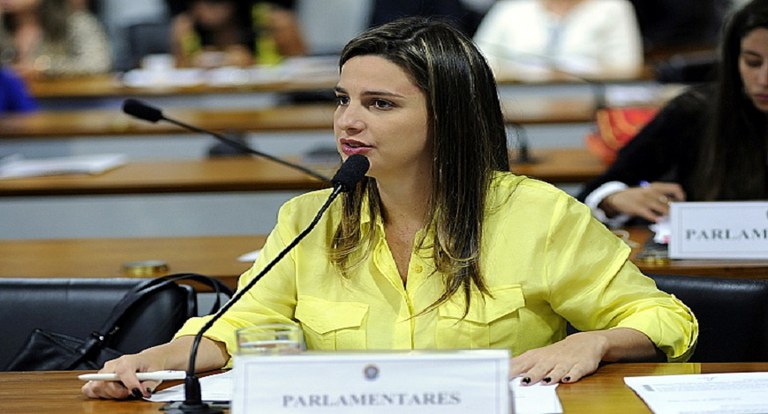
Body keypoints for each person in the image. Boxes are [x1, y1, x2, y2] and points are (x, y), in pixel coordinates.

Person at [82, 17, 697, 400]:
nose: (347, 122)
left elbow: (664, 319)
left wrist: (593, 342)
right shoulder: (309, 219)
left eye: (379, 104)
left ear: (448, 117)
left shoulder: (539, 216)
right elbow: (240, 328)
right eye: (342, 99)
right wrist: (146, 362)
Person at [577, 0, 768, 225]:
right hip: (704, 257)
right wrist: (612, 199)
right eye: (752, 62)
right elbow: (593, 193)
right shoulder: (694, 111)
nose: (763, 80)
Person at [473, 0, 644, 79]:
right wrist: (524, 73)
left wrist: (575, 71)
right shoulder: (510, 8)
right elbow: (476, 63)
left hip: (591, 111)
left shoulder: (614, 8)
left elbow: (627, 68)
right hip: (515, 106)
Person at [169, 0, 306, 68]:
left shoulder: (272, 20)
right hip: (206, 104)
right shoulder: (185, 25)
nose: (207, 9)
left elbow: (299, 66)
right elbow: (178, 71)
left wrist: (253, 63)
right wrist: (194, 63)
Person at [0, 0, 112, 78]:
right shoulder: (3, 26)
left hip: (65, 102)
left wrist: (43, 67)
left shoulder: (76, 22)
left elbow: (97, 64)